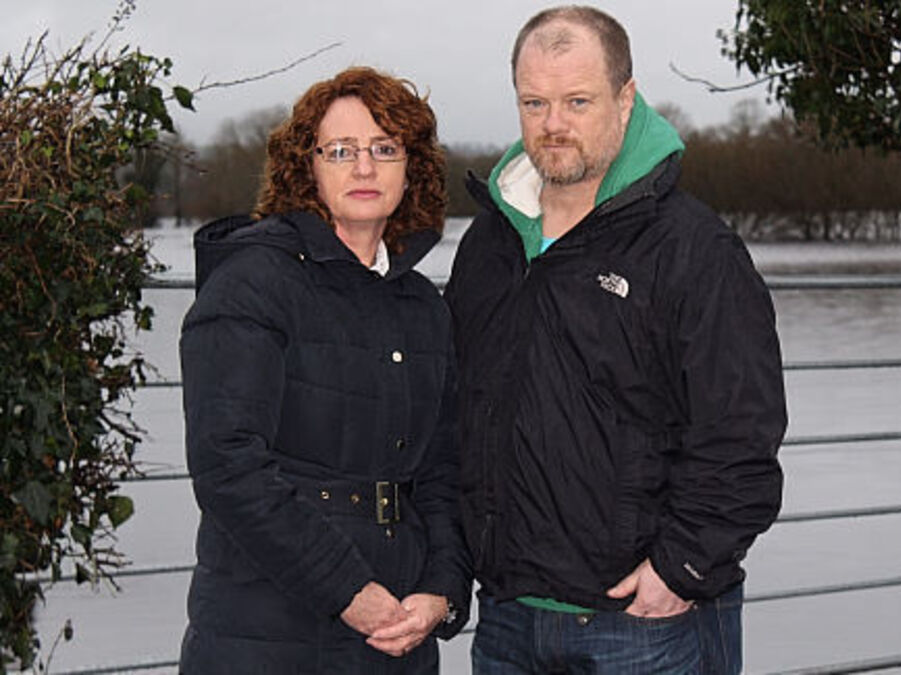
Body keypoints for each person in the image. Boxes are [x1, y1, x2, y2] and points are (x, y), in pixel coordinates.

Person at [445, 6, 787, 674]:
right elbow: (455, 410)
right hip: (508, 619)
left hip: (647, 624)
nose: (553, 123)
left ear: (625, 99)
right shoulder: (489, 244)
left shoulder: (692, 249)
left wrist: (682, 568)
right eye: (535, 102)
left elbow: (742, 433)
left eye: (578, 101)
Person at [179, 67, 470, 673]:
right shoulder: (252, 284)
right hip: (269, 632)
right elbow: (227, 463)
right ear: (305, 167)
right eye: (340, 151)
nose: (364, 168)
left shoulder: (423, 307)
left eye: (384, 149)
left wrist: (442, 590)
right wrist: (348, 592)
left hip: (397, 635)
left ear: (411, 167)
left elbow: (442, 470)